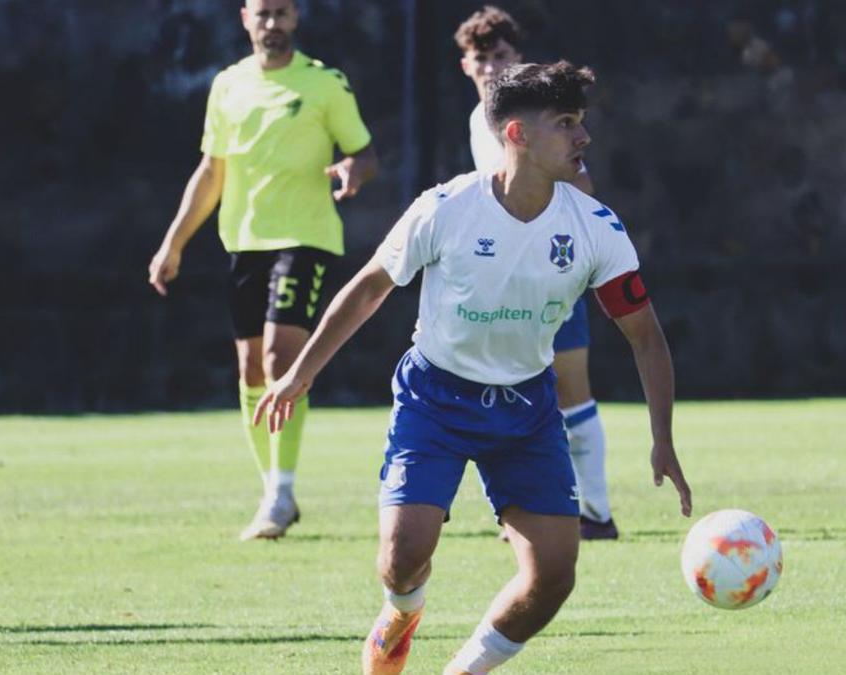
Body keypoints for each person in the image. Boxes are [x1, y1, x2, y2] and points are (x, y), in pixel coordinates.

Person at [255, 62, 691, 674]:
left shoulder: (596, 227)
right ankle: (403, 611)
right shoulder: (446, 208)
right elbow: (369, 287)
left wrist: (663, 438)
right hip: (435, 399)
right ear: (516, 134)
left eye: (582, 123)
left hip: (526, 411)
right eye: (566, 124)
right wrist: (300, 373)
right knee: (401, 558)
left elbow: (645, 336)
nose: (583, 138)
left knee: (554, 576)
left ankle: (464, 670)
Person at [148, 0, 377, 540]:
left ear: (295, 18)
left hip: (306, 238)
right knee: (251, 369)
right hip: (244, 242)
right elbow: (211, 171)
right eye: (263, 13)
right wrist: (172, 244)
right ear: (244, 18)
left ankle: (281, 492)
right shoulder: (227, 85)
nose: (272, 23)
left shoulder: (324, 84)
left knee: (281, 355)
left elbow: (365, 153)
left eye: (282, 13)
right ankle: (272, 484)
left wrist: (352, 170)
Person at [456, 6, 619, 540]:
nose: (488, 67)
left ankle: (596, 512)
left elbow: (584, 190)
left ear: (516, 59)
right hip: (501, 278)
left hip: (551, 267)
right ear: (464, 65)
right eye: (479, 58)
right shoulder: (480, 122)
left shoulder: (544, 122)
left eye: (499, 57)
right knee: (508, 390)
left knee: (570, 387)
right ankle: (525, 509)